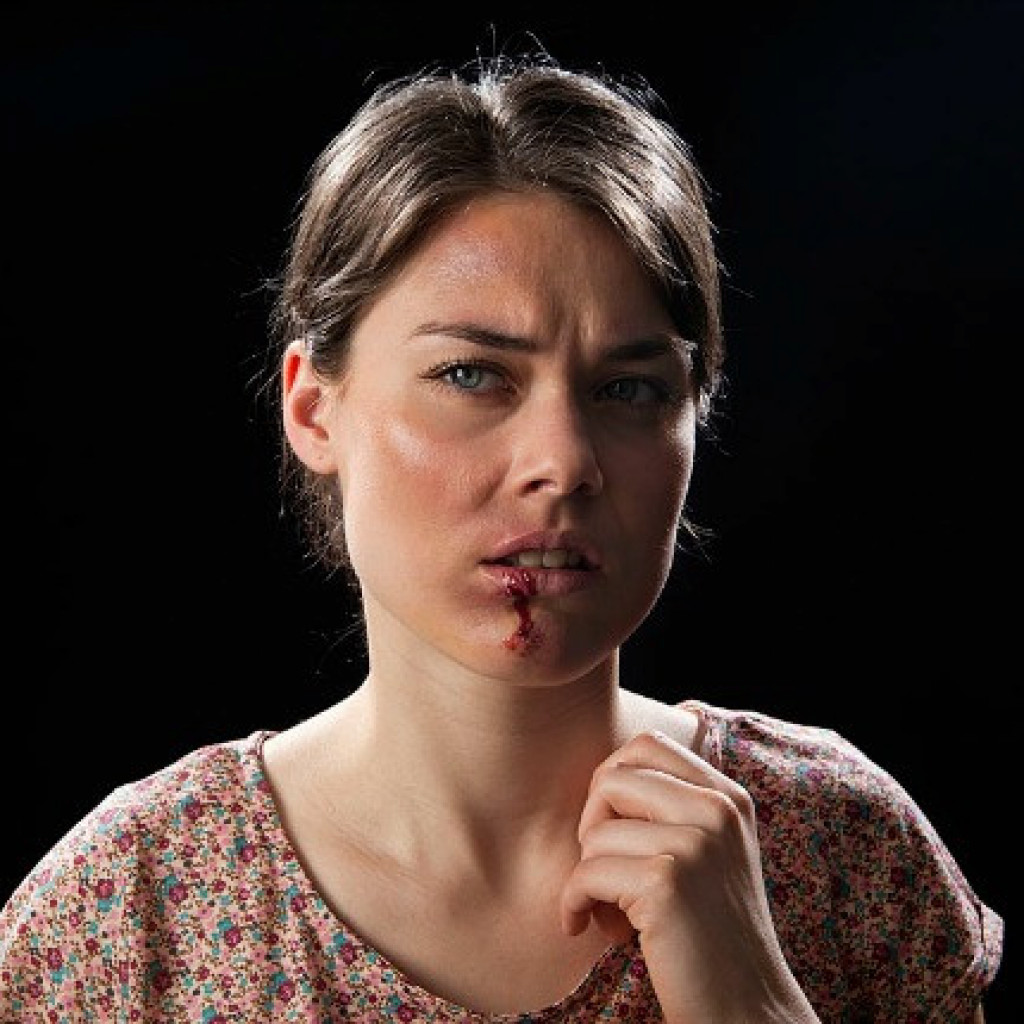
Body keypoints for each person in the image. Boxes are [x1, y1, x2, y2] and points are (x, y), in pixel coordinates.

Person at [0, 52, 1003, 1023]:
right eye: (472, 375)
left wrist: (752, 1001)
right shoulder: (125, 911)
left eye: (629, 389)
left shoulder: (841, 849)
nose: (562, 463)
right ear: (313, 410)